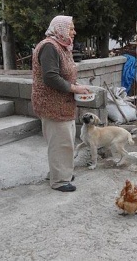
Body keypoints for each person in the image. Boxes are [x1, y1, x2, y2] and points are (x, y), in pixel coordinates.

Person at [31, 15, 89, 192]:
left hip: (62, 103)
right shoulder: (49, 47)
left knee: (65, 140)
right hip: (52, 103)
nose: (74, 31)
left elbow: (62, 73)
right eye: (71, 28)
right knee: (60, 143)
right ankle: (59, 181)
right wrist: (74, 88)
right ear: (60, 28)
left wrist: (75, 85)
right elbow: (51, 78)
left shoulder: (61, 46)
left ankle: (61, 173)